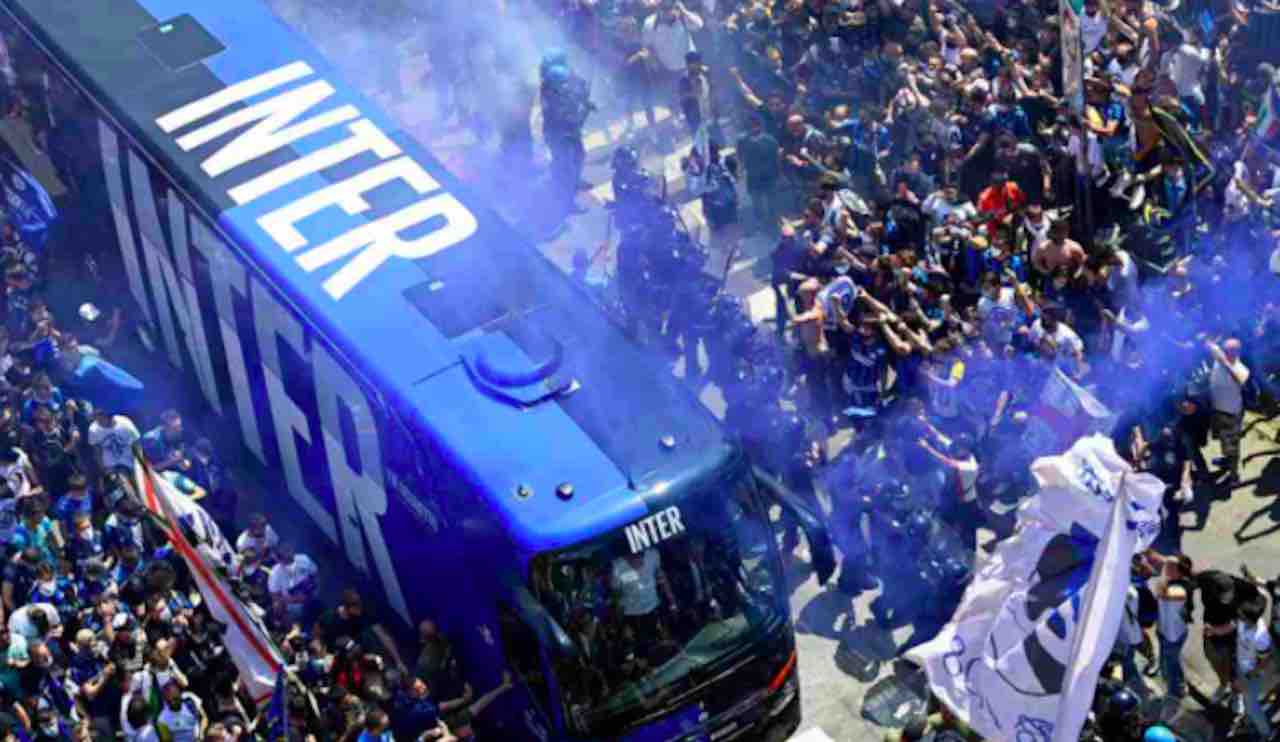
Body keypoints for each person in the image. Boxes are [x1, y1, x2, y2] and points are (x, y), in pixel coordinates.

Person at [537, 52, 592, 241]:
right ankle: (567, 201)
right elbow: (572, 118)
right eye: (561, 85)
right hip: (560, 136)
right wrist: (583, 108)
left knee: (579, 156)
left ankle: (573, 182)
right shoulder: (553, 100)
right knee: (566, 167)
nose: (564, 87)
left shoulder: (554, 90)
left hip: (568, 133)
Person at [1206, 338, 1250, 485]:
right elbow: (1208, 342)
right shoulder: (1218, 359)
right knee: (1223, 441)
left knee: (1232, 446)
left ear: (1236, 353)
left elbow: (1239, 379)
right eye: (1223, 350)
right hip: (1217, 411)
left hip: (1230, 414)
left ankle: (1234, 476)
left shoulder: (1241, 369)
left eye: (1228, 351)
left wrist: (1224, 362)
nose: (1224, 353)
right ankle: (1226, 461)